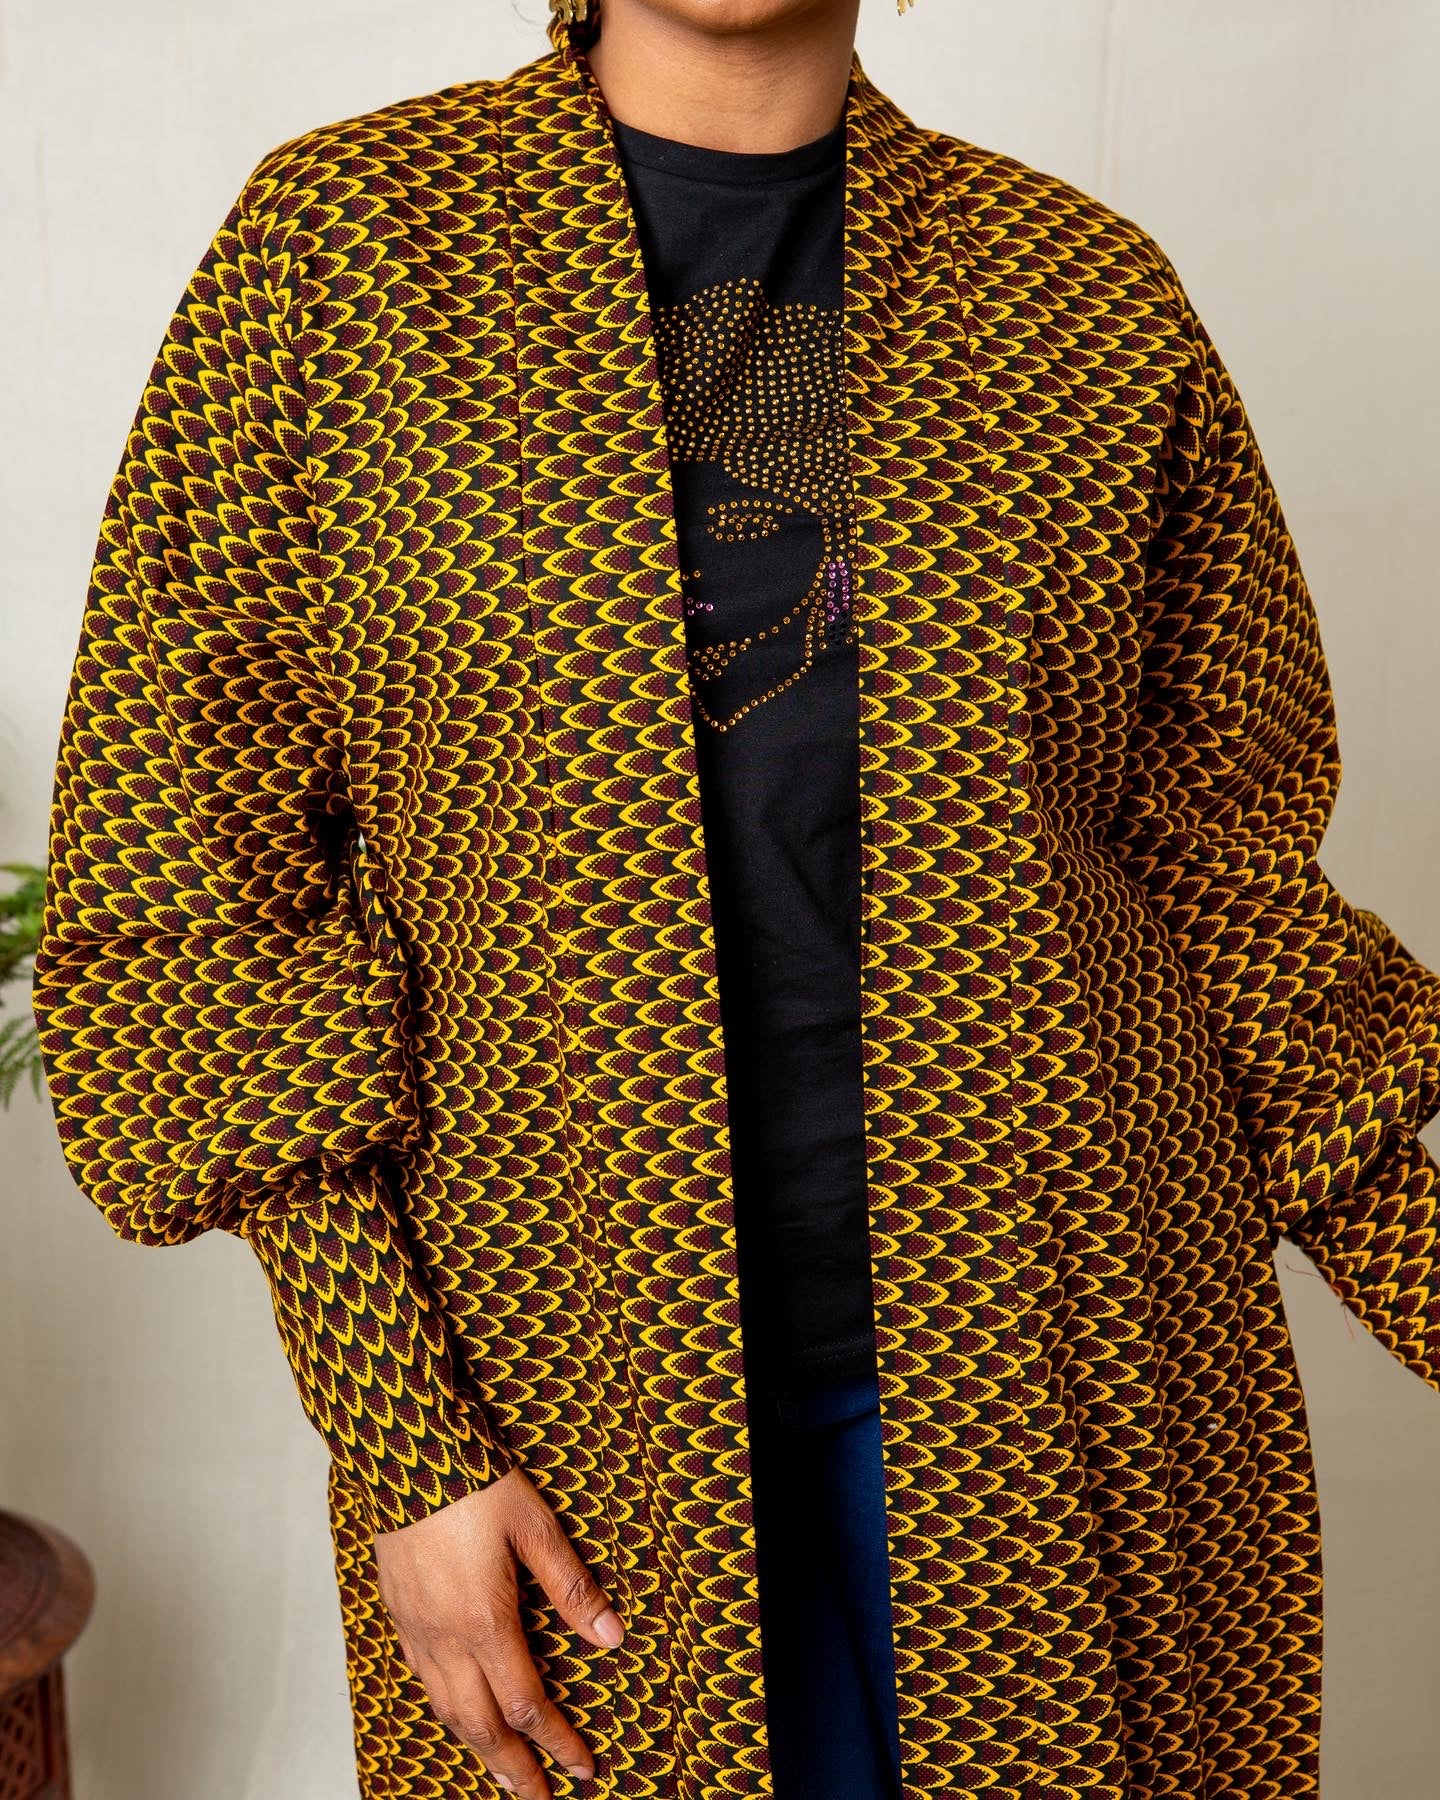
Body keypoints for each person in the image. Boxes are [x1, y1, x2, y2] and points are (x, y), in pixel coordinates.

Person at [29, 0, 1440, 1797]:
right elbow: (180, 896)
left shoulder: (1084, 300)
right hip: (564, 1404)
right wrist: (402, 1435)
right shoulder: (346, 255)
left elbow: (1223, 890)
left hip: (1079, 1373)